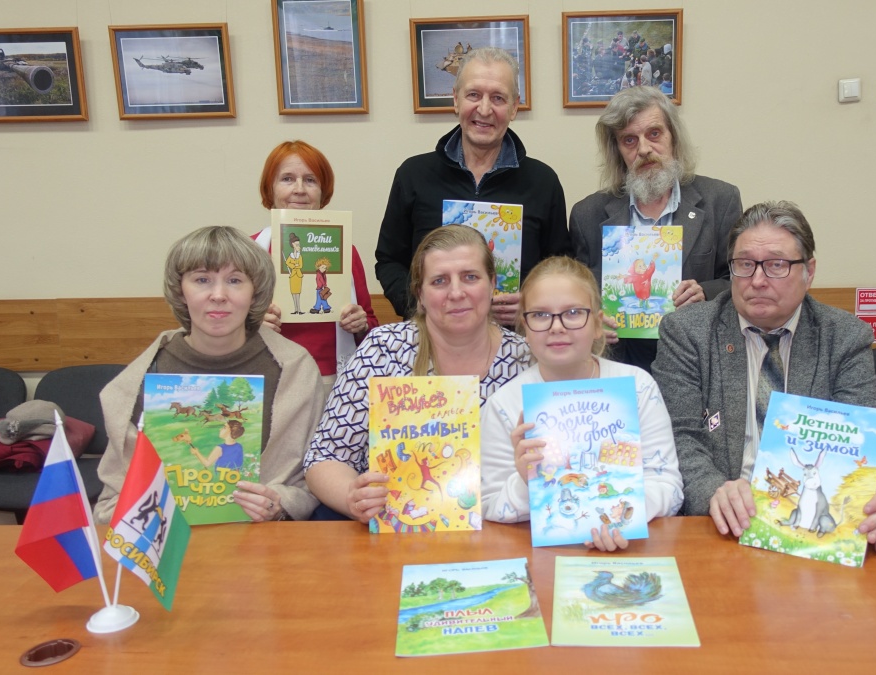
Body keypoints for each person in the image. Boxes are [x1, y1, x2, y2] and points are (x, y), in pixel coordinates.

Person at [653, 201, 876, 552]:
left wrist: (874, 499)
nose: (757, 281)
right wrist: (714, 491)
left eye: (776, 265)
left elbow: (875, 439)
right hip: (718, 525)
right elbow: (677, 435)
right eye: (745, 265)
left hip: (808, 527)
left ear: (809, 271)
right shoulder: (688, 332)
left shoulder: (844, 336)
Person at [95, 226, 325, 523]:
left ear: (255, 292)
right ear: (181, 290)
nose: (218, 295)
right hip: (167, 539)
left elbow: (312, 481)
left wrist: (279, 504)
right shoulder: (142, 377)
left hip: (264, 540)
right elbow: (112, 499)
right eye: (202, 280)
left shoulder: (295, 370)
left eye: (235, 280)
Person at [305, 225, 531, 522]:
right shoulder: (383, 349)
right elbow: (325, 457)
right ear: (419, 294)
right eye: (439, 281)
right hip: (392, 528)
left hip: (500, 527)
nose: (456, 292)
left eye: (470, 277)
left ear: (492, 284)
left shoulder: (525, 358)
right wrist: (352, 497)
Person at [481, 257, 683, 551]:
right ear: (524, 327)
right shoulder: (504, 405)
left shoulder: (638, 387)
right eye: (540, 315)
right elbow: (489, 505)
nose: (557, 326)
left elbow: (669, 488)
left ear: (598, 324)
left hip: (628, 547)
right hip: (538, 552)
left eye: (574, 313)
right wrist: (525, 482)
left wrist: (623, 515)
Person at [375, 47, 571, 327]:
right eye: (474, 95)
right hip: (432, 336)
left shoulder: (543, 181)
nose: (484, 109)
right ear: (456, 100)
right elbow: (389, 259)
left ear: (514, 107)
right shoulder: (413, 175)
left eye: (498, 98)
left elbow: (560, 269)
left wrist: (533, 305)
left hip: (518, 340)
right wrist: (415, 304)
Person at [569, 85, 742, 373]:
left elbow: (739, 279)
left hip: (697, 363)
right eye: (629, 140)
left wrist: (705, 292)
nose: (644, 149)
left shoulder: (720, 201)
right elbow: (574, 295)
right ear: (617, 150)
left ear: (673, 137)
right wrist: (591, 320)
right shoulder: (587, 214)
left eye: (654, 134)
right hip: (617, 364)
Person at [256, 140, 379, 379]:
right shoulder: (248, 251)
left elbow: (371, 325)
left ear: (323, 192)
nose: (299, 189)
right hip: (270, 378)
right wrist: (249, 326)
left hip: (333, 379)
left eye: (310, 180)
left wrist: (360, 324)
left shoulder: (346, 251)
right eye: (287, 179)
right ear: (270, 189)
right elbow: (221, 328)